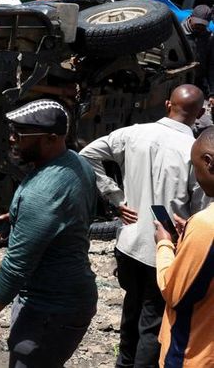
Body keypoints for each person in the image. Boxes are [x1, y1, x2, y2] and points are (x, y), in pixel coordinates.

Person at [79, 84, 207, 368]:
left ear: (167, 105)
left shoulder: (133, 133)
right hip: (165, 250)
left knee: (131, 308)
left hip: (128, 243)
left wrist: (116, 197)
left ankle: (124, 363)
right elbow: (200, 208)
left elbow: (87, 154)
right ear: (200, 114)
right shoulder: (195, 151)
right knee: (154, 320)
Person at [0, 100, 98, 366]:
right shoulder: (77, 163)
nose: (11, 138)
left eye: (20, 134)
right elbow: (71, 219)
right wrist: (22, 226)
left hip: (49, 309)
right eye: (12, 131)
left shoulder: (41, 194)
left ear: (51, 139)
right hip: (68, 299)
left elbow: (16, 267)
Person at [154, 128, 214, 368]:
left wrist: (164, 244)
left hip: (194, 353)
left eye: (195, 165)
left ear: (209, 162)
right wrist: (190, 238)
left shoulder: (206, 226)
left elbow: (174, 292)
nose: (195, 175)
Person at [182, 6, 214, 95]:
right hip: (179, 80)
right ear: (190, 18)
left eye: (203, 25)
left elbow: (211, 66)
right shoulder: (179, 33)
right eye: (197, 24)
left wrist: (212, 92)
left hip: (197, 83)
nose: (199, 27)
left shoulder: (209, 38)